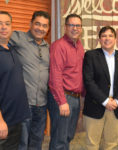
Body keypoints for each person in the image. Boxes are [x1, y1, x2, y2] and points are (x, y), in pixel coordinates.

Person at [83, 26, 118, 150]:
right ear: (99, 39)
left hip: (116, 106)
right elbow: (88, 81)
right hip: (95, 104)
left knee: (112, 144)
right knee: (92, 144)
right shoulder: (91, 55)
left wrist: (117, 101)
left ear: (115, 39)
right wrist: (105, 101)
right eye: (104, 36)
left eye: (110, 36)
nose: (107, 38)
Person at [10, 11, 50, 150]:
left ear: (48, 28)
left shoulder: (48, 48)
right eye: (37, 24)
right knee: (21, 143)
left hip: (42, 104)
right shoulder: (18, 37)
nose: (40, 28)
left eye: (44, 26)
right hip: (23, 104)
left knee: (37, 142)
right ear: (30, 24)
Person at [48, 14, 85, 150]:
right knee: (59, 139)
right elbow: (55, 76)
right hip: (62, 97)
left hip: (75, 98)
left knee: (68, 136)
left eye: (78, 26)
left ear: (81, 28)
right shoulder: (59, 46)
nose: (75, 28)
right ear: (65, 27)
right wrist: (62, 101)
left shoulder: (79, 46)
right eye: (71, 25)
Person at [0, 11, 30, 150]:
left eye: (7, 23)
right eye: (0, 24)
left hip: (16, 118)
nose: (3, 27)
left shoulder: (11, 49)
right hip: (3, 120)